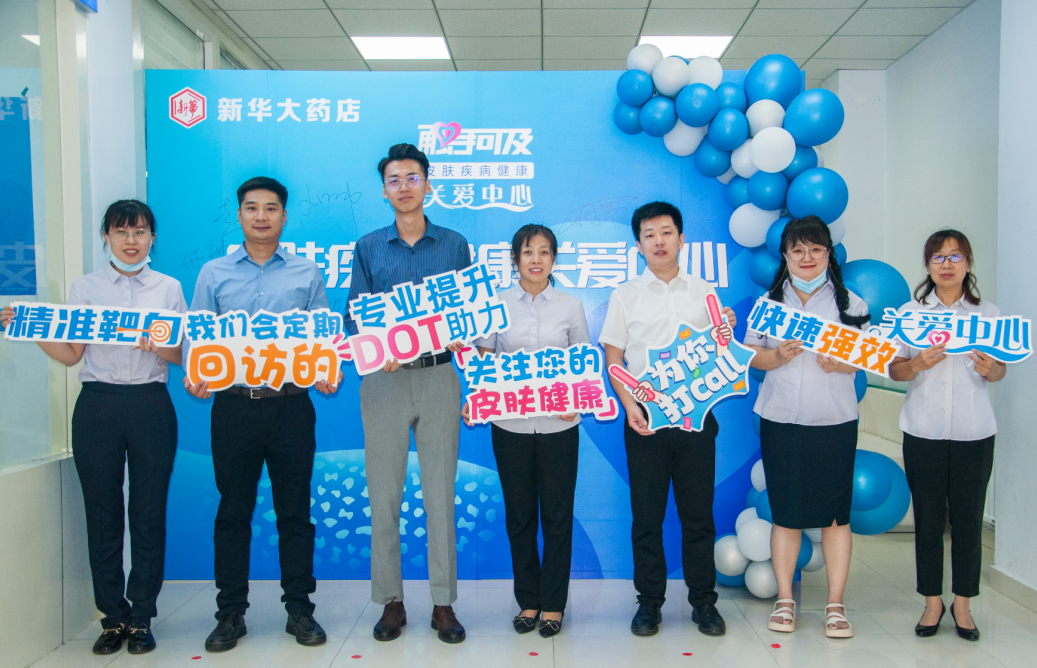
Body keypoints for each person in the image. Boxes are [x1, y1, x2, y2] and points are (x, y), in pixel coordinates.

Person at [1, 200, 186, 655]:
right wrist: (29, 327)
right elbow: (72, 354)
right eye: (121, 232)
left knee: (148, 512)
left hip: (150, 403)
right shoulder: (84, 288)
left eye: (139, 232)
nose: (130, 241)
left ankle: (141, 616)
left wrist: (158, 345)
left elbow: (183, 355)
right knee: (102, 513)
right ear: (106, 236)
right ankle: (112, 616)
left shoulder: (168, 287)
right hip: (98, 405)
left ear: (152, 237)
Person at [185, 176, 340, 652]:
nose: (261, 216)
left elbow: (322, 337)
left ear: (284, 217)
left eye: (271, 208)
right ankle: (230, 613)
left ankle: (300, 609)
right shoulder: (213, 273)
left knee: (295, 511)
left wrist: (326, 369)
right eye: (251, 207)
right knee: (233, 511)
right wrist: (195, 372)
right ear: (239, 215)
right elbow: (197, 335)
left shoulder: (306, 273)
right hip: (233, 407)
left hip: (291, 406)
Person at [345, 143, 470, 644]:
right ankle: (390, 601)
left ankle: (443, 602)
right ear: (384, 190)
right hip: (385, 380)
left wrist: (462, 331)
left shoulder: (454, 244)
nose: (404, 187)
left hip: (439, 376)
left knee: (440, 493)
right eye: (394, 180)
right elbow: (355, 315)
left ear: (428, 184)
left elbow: (468, 308)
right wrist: (380, 345)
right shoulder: (369, 246)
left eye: (412, 178)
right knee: (384, 495)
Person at [599, 201, 735, 637]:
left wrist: (726, 331)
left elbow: (721, 352)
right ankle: (649, 604)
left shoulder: (704, 290)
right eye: (649, 235)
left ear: (681, 238)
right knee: (647, 517)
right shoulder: (626, 294)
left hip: (697, 418)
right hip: (646, 421)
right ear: (638, 245)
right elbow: (614, 358)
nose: (659, 241)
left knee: (698, 517)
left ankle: (704, 603)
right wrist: (629, 406)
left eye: (666, 232)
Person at [461, 225, 590, 638]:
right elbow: (484, 357)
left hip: (559, 425)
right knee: (520, 516)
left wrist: (575, 399)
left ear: (554, 259)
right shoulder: (496, 304)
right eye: (528, 251)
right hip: (509, 424)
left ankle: (553, 605)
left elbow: (583, 362)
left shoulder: (570, 306)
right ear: (515, 258)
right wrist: (476, 397)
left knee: (557, 517)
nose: (536, 260)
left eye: (545, 252)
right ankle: (528, 601)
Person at [744, 215, 869, 639]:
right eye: (797, 250)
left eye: (816, 249)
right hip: (781, 419)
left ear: (828, 253)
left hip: (834, 420)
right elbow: (751, 353)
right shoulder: (769, 303)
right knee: (787, 513)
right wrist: (776, 357)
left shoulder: (852, 304)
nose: (807, 257)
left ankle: (835, 605)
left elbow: (866, 357)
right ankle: (785, 600)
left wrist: (842, 363)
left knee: (836, 516)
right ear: (785, 255)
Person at [889, 230, 1005, 641]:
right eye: (938, 257)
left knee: (969, 521)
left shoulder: (988, 314)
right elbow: (894, 369)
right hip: (923, 430)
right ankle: (932, 602)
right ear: (927, 266)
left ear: (968, 264)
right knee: (928, 520)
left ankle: (963, 604)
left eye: (956, 257)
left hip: (975, 432)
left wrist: (993, 370)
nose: (947, 264)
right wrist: (917, 364)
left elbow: (1000, 369)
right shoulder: (910, 314)